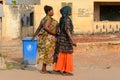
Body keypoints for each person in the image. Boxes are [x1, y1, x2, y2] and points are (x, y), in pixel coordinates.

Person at [32, 5, 58, 74]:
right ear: (48, 12)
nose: (53, 12)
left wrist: (34, 36)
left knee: (46, 54)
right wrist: (54, 33)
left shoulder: (43, 19)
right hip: (48, 39)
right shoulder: (49, 18)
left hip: (44, 39)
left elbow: (39, 28)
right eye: (52, 11)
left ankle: (44, 69)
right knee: (48, 54)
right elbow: (46, 27)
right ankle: (44, 69)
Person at [53, 6, 76, 76]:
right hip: (66, 39)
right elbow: (67, 30)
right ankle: (66, 70)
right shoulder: (67, 19)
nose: (71, 12)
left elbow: (58, 27)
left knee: (62, 54)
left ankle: (59, 68)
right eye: (70, 10)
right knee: (68, 54)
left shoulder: (61, 19)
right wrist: (72, 40)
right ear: (67, 11)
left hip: (61, 39)